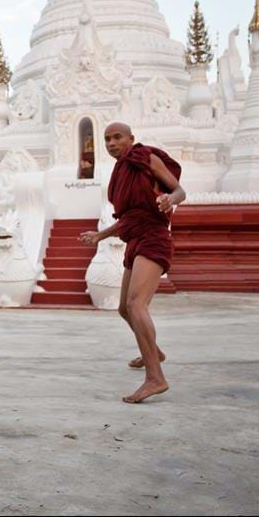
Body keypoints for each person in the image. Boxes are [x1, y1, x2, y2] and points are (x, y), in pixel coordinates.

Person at [79, 122, 185, 404]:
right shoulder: (119, 172)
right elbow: (127, 218)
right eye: (107, 139)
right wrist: (100, 235)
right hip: (134, 239)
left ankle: (155, 378)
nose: (112, 143)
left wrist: (168, 199)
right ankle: (155, 351)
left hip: (154, 236)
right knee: (124, 308)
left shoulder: (145, 158)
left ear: (130, 139)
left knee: (138, 304)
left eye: (117, 137)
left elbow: (180, 191)